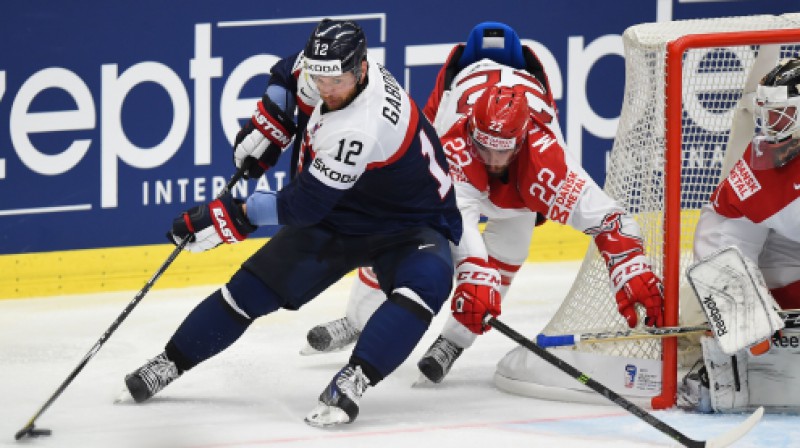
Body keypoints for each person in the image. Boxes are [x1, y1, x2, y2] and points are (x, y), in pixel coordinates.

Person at [122, 19, 463, 427]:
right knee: (247, 292)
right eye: (320, 77)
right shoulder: (326, 65)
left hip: (408, 224)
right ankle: (170, 362)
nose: (326, 89)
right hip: (340, 213)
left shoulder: (360, 126)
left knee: (426, 284)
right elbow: (287, 72)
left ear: (362, 69)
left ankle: (354, 379)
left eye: (336, 80)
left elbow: (302, 207)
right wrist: (273, 117)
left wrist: (232, 216)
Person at [303, 22, 666, 385]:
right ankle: (356, 320)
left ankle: (453, 342)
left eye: (502, 149)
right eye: (484, 145)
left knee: (508, 255)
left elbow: (610, 219)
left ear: (522, 140)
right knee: (399, 237)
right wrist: (476, 271)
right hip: (456, 174)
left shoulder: (547, 162)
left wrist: (628, 261)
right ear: (470, 130)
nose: (493, 158)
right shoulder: (454, 149)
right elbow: (456, 217)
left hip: (518, 198)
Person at [678, 57, 800, 413]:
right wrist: (739, 306)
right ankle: (731, 366)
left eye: (782, 115)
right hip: (785, 255)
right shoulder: (768, 164)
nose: (770, 128)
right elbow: (722, 230)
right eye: (768, 115)